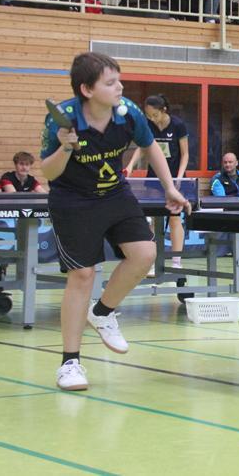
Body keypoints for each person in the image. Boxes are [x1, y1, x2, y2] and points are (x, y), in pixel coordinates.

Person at [41, 51, 190, 391]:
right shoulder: (62, 119)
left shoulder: (128, 113)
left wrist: (170, 187)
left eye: (119, 80)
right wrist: (65, 148)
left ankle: (103, 312)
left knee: (145, 254)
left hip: (114, 193)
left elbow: (150, 146)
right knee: (82, 275)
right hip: (73, 200)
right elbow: (48, 172)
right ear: (87, 89)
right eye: (110, 83)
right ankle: (69, 363)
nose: (119, 87)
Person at [125, 94, 189, 269]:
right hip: (154, 178)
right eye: (148, 115)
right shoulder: (148, 125)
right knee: (153, 219)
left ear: (164, 110)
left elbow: (185, 154)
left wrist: (179, 178)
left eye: (155, 115)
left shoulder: (178, 125)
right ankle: (151, 261)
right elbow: (142, 148)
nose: (151, 118)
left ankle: (176, 261)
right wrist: (130, 165)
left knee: (174, 219)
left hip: (175, 177)